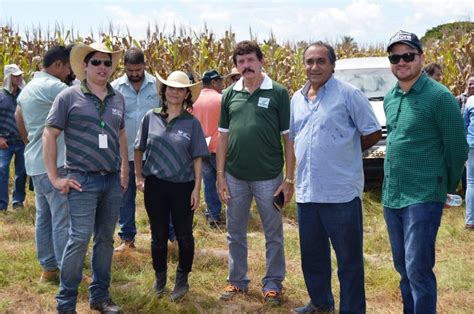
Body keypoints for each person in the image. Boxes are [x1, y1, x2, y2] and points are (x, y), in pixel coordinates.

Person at [290, 41, 381, 313]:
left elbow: (372, 131)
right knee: (313, 257)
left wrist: (347, 150)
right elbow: (294, 138)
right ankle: (320, 303)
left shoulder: (349, 94)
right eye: (309, 61)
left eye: (321, 61)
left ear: (332, 64)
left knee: (348, 261)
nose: (314, 66)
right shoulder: (297, 98)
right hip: (308, 192)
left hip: (340, 193)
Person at [383, 30, 468, 313]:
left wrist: (445, 187)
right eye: (395, 57)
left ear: (421, 57)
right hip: (392, 196)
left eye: (408, 55)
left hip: (423, 195)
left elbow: (456, 148)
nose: (401, 62)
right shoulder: (391, 97)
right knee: (402, 266)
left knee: (418, 268)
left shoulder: (439, 97)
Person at [43, 42, 127, 313]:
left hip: (112, 180)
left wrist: (124, 169)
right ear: (85, 66)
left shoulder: (118, 98)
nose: (103, 68)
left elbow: (121, 135)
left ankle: (99, 296)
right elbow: (49, 134)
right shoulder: (68, 97)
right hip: (82, 180)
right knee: (78, 239)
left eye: (107, 63)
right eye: (97, 63)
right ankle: (66, 302)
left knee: (105, 240)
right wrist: (55, 178)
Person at [217, 40, 294, 306]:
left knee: (273, 232)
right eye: (241, 62)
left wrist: (289, 179)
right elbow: (223, 138)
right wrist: (220, 175)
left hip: (269, 177)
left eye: (251, 60)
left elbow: (288, 139)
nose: (246, 66)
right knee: (234, 231)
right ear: (236, 66)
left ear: (261, 61)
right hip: (235, 176)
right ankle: (237, 281)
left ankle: (273, 284)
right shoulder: (229, 94)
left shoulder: (279, 93)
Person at [134, 70, 207, 301]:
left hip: (183, 186)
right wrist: (138, 176)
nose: (175, 92)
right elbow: (138, 148)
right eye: (171, 87)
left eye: (180, 89)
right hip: (155, 185)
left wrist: (197, 188)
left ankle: (182, 280)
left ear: (187, 94)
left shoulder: (192, 123)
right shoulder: (150, 116)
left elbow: (198, 157)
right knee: (158, 235)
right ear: (164, 90)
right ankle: (160, 279)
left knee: (184, 235)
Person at [15, 46, 71, 283]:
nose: (70, 72)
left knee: (44, 217)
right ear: (58, 65)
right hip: (55, 162)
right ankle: (66, 269)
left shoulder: (27, 88)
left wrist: (28, 140)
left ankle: (48, 268)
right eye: (68, 66)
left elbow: (18, 116)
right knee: (61, 218)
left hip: (35, 161)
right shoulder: (57, 88)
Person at [111, 48, 160, 252]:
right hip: (126, 155)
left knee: (158, 198)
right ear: (125, 68)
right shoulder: (115, 88)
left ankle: (166, 237)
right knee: (125, 197)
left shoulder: (156, 87)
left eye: (138, 69)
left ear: (144, 66)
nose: (134, 74)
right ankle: (127, 239)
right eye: (130, 70)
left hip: (153, 155)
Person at [192, 69, 224, 227]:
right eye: (220, 81)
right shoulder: (222, 99)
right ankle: (233, 214)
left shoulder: (194, 99)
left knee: (209, 183)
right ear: (213, 82)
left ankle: (212, 216)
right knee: (226, 182)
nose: (222, 84)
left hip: (201, 148)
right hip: (219, 149)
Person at [0, 64, 26, 212]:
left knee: (22, 172)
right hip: (5, 142)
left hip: (21, 140)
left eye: (20, 75)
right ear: (8, 77)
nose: (19, 78)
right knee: (2, 170)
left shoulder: (23, 95)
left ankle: (18, 201)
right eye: (15, 75)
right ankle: (2, 204)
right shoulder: (1, 95)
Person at [463, 95, 474, 230]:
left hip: (471, 144)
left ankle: (470, 221)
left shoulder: (471, 100)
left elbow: (464, 125)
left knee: (471, 182)